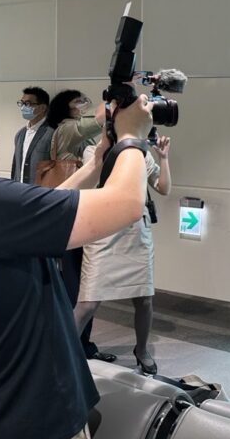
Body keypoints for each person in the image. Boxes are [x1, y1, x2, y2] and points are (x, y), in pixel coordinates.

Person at [0, 94, 155, 439]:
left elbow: (34, 214)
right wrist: (133, 137)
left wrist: (93, 167)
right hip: (37, 432)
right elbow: (126, 204)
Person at [74, 135, 172, 375]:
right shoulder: (94, 150)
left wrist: (164, 157)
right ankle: (63, 351)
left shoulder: (142, 152)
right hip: (102, 230)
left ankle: (141, 349)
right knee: (88, 302)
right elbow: (97, 186)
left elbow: (163, 187)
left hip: (137, 231)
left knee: (144, 298)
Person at [47, 89, 116, 363]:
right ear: (65, 107)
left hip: (81, 214)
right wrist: (117, 96)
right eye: (79, 101)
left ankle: (80, 344)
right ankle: (70, 346)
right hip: (70, 216)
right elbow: (101, 117)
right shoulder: (67, 129)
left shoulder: (80, 134)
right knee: (77, 287)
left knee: (81, 286)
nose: (85, 105)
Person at [12, 86, 54, 184]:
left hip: (41, 192)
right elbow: (16, 166)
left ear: (43, 108)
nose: (23, 107)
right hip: (20, 190)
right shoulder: (20, 134)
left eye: (27, 103)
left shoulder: (52, 132)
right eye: (21, 103)